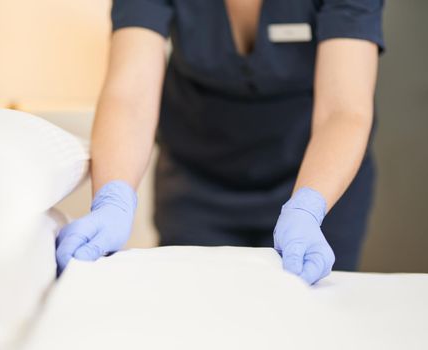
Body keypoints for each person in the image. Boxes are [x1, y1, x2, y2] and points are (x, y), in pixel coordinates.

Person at [56, 0, 384, 285]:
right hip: (196, 184)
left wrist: (308, 208)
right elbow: (130, 95)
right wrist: (113, 198)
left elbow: (343, 110)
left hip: (314, 180)